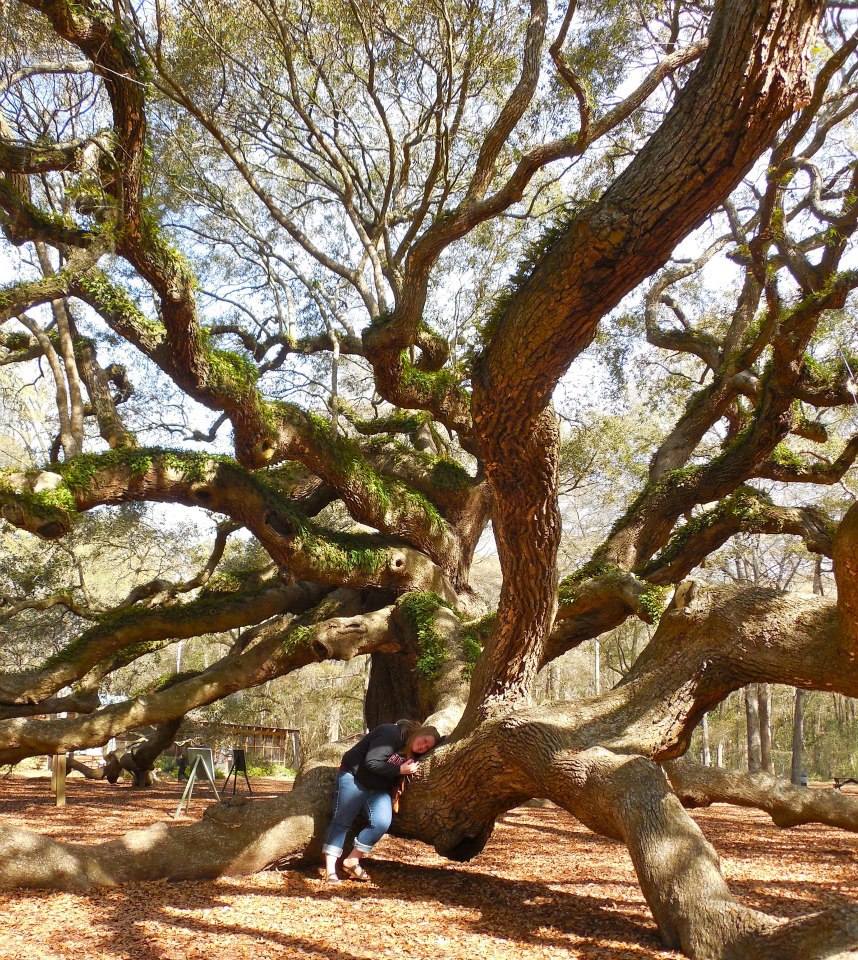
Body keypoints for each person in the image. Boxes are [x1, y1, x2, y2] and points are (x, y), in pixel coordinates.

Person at [321, 719, 440, 884]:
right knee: (342, 821)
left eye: (427, 747)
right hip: (354, 776)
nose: (422, 746)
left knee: (381, 822)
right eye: (424, 741)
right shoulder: (390, 734)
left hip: (378, 788)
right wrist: (400, 770)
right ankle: (331, 871)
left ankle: (352, 860)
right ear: (419, 732)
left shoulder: (412, 754)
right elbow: (372, 762)